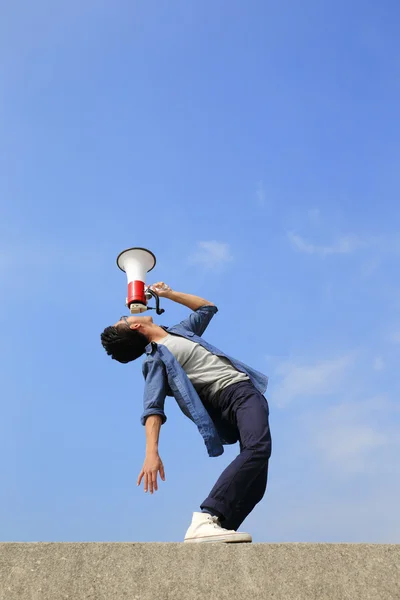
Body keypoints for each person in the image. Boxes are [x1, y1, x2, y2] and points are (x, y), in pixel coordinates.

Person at [100, 283, 271, 543]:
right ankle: (207, 517)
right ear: (134, 326)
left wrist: (168, 294)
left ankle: (219, 532)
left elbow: (206, 308)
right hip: (231, 394)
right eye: (124, 318)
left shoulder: (179, 332)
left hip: (243, 391)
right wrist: (151, 453)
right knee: (257, 449)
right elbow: (152, 408)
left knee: (256, 484)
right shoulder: (156, 359)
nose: (127, 314)